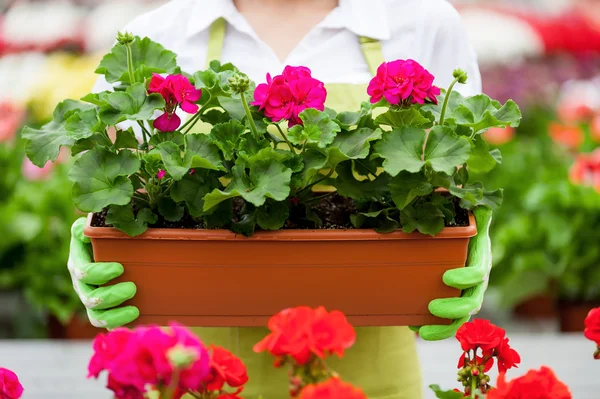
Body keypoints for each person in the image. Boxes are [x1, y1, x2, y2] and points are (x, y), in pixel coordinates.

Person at [67, 1, 492, 398]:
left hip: (371, 373)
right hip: (195, 369)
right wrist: (99, 236)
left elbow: (452, 175)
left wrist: (465, 239)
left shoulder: (425, 21)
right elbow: (113, 179)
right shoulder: (157, 32)